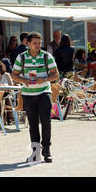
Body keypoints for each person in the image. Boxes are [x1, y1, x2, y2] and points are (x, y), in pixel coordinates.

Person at [11, 31, 59, 163]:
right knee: (33, 124)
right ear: (28, 43)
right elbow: (14, 75)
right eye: (35, 43)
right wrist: (23, 81)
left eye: (39, 43)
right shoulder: (21, 57)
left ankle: (47, 151)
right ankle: (35, 152)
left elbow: (56, 75)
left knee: (46, 122)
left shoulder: (46, 56)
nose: (38, 45)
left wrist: (44, 79)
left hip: (44, 92)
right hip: (28, 94)